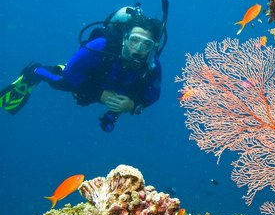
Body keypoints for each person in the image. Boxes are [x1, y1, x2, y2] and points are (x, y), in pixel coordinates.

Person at [0, 8, 165, 131]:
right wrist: (98, 94)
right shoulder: (101, 45)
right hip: (88, 79)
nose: (138, 49)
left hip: (118, 88)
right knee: (60, 81)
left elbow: (152, 95)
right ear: (125, 38)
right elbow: (71, 72)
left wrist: (133, 105)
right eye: (134, 40)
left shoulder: (152, 65)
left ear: (152, 48)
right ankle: (35, 71)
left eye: (146, 44)